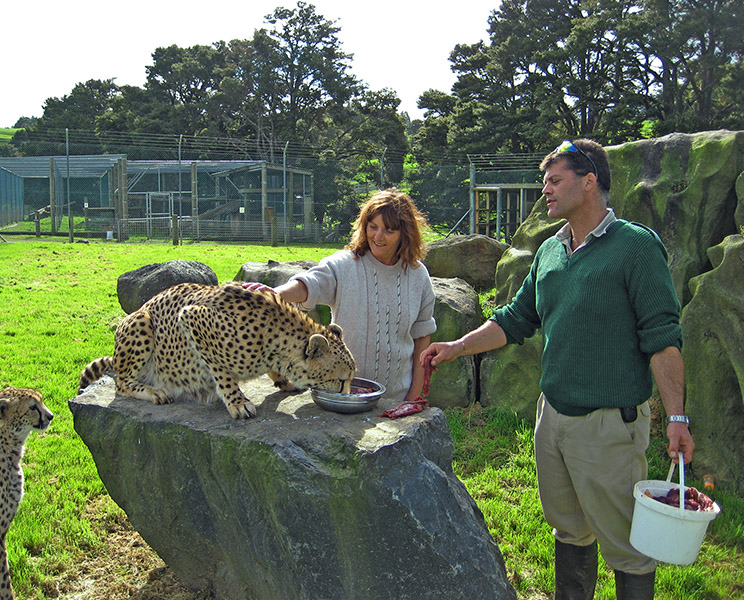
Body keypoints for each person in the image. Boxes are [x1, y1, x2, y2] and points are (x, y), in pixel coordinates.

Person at [420, 139, 694, 600]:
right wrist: (456, 346)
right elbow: (515, 318)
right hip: (552, 419)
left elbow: (663, 339)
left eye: (554, 180)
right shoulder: (550, 250)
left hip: (609, 425)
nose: (544, 190)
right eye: (543, 181)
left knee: (628, 547)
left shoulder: (635, 247)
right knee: (569, 531)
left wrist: (677, 417)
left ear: (589, 183)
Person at [249, 188, 436, 404]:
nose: (378, 236)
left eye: (389, 230)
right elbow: (311, 283)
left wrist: (413, 397)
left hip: (397, 398)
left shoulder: (418, 276)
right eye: (372, 227)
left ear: (405, 233)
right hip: (342, 396)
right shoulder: (345, 264)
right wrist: (275, 295)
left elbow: (422, 338)